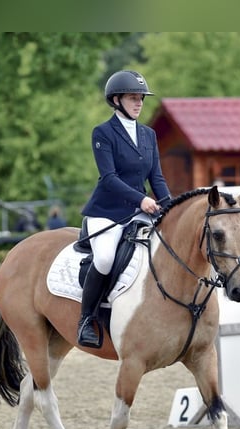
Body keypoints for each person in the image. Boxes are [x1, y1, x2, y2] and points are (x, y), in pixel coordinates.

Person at [78, 70, 171, 348]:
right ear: (116, 100)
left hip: (139, 211)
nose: (139, 103)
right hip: (106, 212)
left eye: (141, 98)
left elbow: (156, 178)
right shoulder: (103, 133)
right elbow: (109, 178)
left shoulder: (148, 134)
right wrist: (141, 200)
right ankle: (87, 319)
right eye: (133, 98)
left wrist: (171, 205)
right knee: (105, 258)